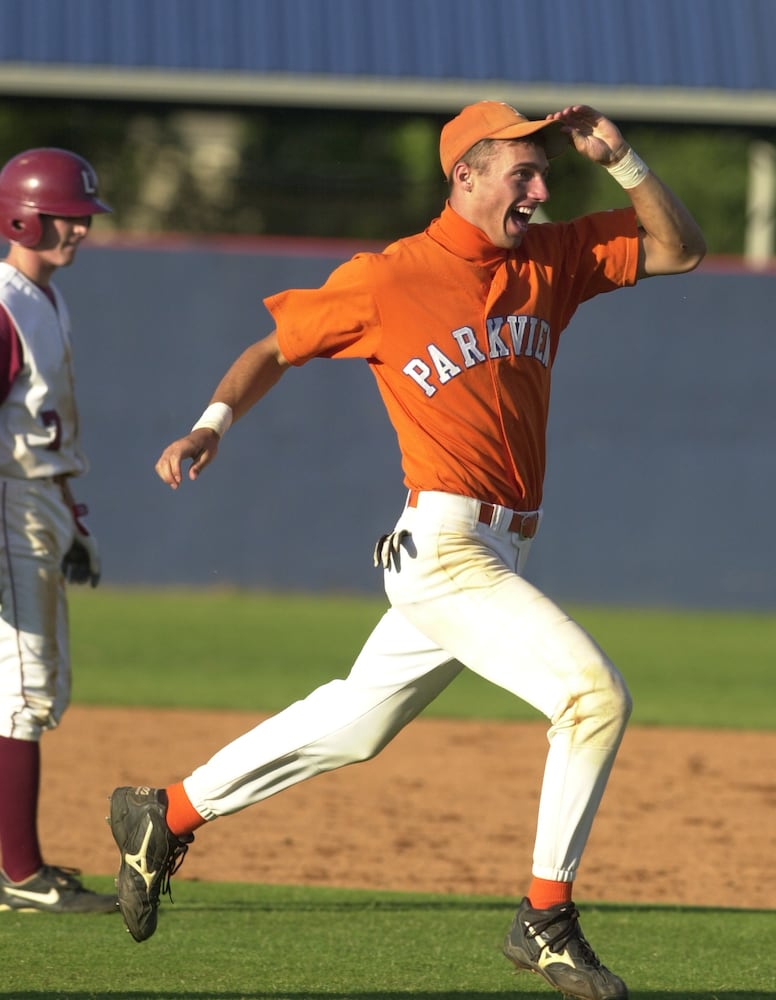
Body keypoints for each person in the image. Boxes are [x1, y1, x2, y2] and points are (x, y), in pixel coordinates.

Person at [109, 102, 705, 997]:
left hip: (503, 548)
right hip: (445, 545)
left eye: (546, 175)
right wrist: (210, 424)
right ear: (464, 174)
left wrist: (621, 159)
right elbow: (276, 346)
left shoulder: (553, 257)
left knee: (357, 722)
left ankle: (168, 811)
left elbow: (681, 247)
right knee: (593, 698)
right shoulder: (391, 277)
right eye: (522, 174)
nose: (540, 191)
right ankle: (545, 916)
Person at [0, 148, 117, 914]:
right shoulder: (7, 303)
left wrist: (71, 519)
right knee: (22, 688)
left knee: (33, 687)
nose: (79, 228)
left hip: (39, 500)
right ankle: (18, 874)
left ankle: (17, 867)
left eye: (81, 216)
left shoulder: (42, 297)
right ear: (24, 216)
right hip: (8, 502)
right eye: (67, 216)